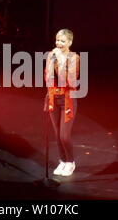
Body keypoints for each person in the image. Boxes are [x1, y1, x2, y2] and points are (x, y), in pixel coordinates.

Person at [44, 29, 80, 176]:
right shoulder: (51, 56)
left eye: (63, 41)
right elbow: (48, 77)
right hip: (53, 97)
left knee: (64, 135)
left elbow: (69, 80)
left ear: (70, 43)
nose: (59, 43)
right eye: (57, 40)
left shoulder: (75, 58)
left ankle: (70, 162)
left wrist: (61, 59)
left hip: (67, 99)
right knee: (57, 134)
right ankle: (63, 161)